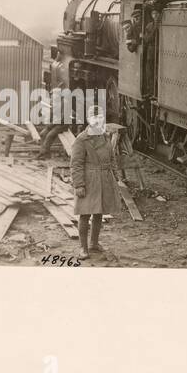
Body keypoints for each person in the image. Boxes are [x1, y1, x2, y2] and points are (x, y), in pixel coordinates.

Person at [70, 105, 121, 259]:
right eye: (94, 117)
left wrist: (115, 176)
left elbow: (112, 158)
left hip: (104, 179)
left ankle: (94, 243)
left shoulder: (105, 136)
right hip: (89, 180)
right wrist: (79, 185)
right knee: (85, 215)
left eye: (100, 117)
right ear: (88, 119)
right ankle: (83, 248)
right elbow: (76, 164)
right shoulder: (81, 139)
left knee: (99, 213)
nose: (97, 120)